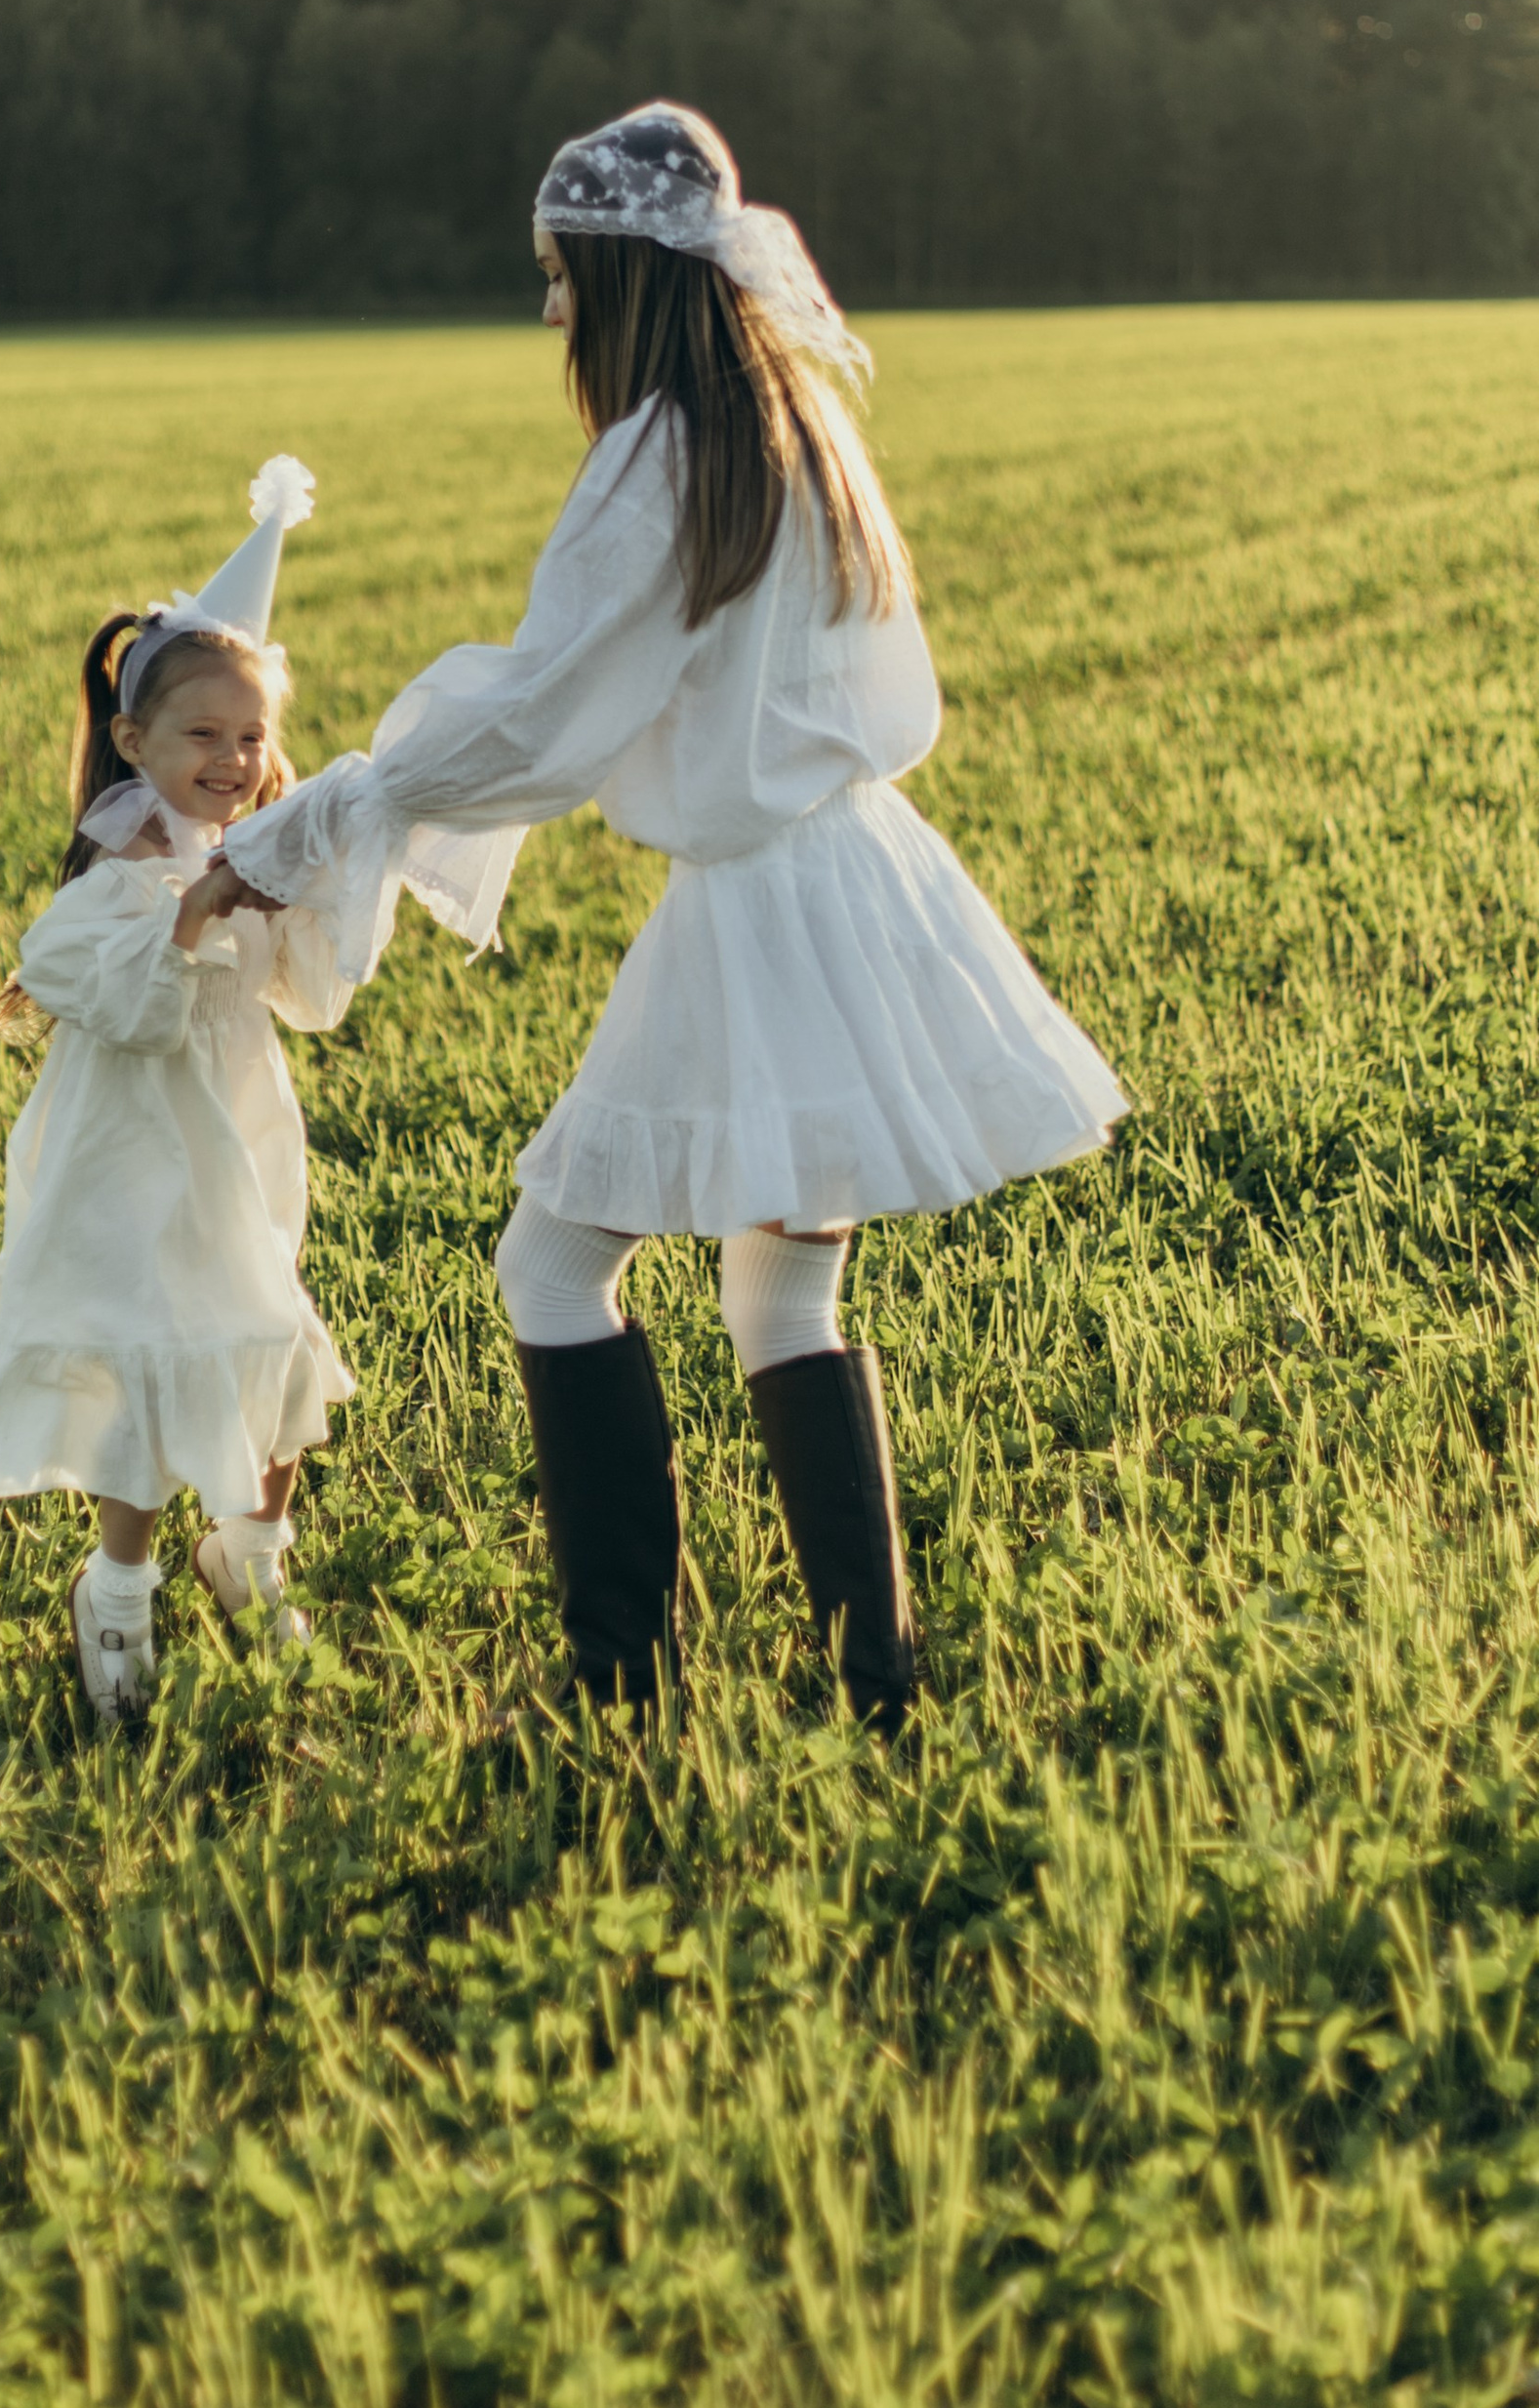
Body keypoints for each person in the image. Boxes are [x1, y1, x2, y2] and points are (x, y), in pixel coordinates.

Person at [224, 105, 1126, 1731]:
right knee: (783, 1295)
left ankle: (618, 1677)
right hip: (869, 883)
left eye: (561, 276)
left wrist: (314, 822)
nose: (550, 311)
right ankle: (877, 1677)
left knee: (552, 1266)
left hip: (764, 913)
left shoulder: (656, 453)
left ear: (628, 272)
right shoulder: (798, 424)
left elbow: (541, 717)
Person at [0, 460, 370, 1724]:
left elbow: (311, 994)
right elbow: (96, 986)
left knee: (267, 1342)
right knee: (148, 1365)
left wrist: (304, 886)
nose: (234, 761)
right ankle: (118, 1590)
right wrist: (200, 910)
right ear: (134, 742)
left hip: (239, 1148)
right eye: (204, 736)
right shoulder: (115, 875)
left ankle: (251, 1555)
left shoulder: (243, 849)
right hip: (133, 1165)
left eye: (252, 738)